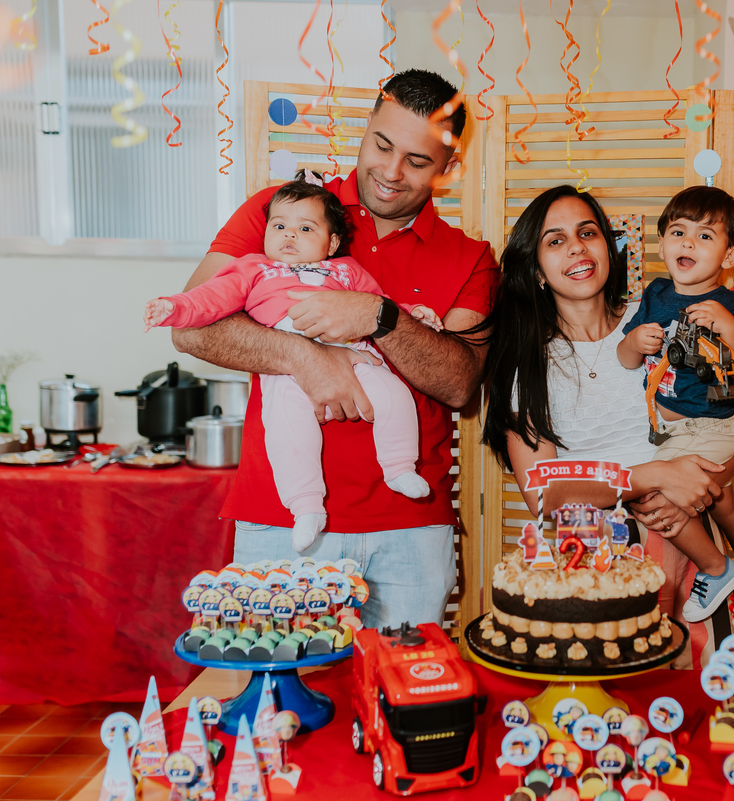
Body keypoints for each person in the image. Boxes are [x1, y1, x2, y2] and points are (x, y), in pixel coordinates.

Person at [171, 69, 498, 629]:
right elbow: (192, 328)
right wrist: (307, 358)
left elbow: (461, 385)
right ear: (364, 128)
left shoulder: (470, 257)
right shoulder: (284, 214)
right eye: (382, 145)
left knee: (404, 706)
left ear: (449, 167)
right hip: (282, 520)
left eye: (418, 161)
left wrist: (378, 316)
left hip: (412, 529)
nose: (391, 173)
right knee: (281, 710)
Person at [477, 185, 734, 650]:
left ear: (608, 248)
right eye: (555, 240)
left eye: (587, 232)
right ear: (538, 271)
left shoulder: (658, 321)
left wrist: (694, 492)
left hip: (692, 549)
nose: (576, 247)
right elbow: (544, 495)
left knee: (692, 698)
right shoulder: (527, 363)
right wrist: (652, 477)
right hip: (596, 564)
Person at [145, 172, 441, 553]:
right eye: (280, 225)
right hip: (285, 368)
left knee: (394, 395)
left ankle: (400, 466)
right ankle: (306, 506)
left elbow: (381, 304)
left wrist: (414, 314)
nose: (289, 235)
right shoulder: (253, 267)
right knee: (287, 430)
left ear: (331, 242)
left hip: (354, 352)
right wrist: (174, 307)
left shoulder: (347, 270)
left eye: (305, 228)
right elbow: (211, 298)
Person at [617, 186, 734, 621]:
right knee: (723, 502)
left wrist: (728, 327)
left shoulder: (730, 306)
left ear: (729, 258)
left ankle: (716, 567)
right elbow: (626, 358)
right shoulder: (654, 294)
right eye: (678, 231)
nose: (688, 242)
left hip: (712, 425)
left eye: (705, 236)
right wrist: (633, 342)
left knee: (651, 496)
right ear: (663, 242)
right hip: (675, 426)